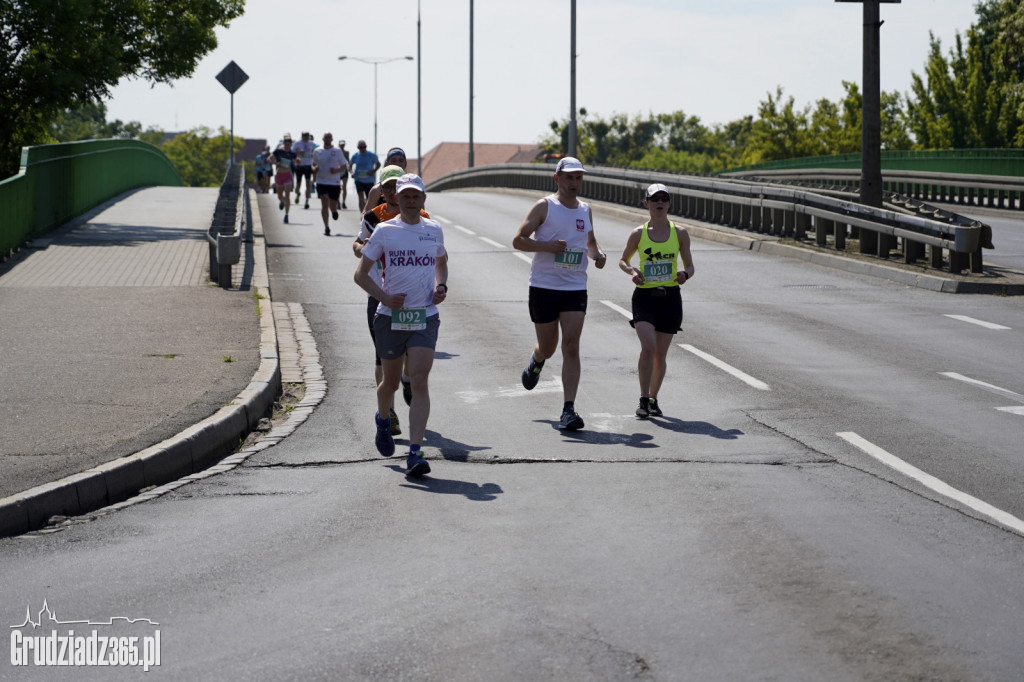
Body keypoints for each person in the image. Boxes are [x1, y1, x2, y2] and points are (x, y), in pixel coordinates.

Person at [354, 173, 448, 478]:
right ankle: (383, 419)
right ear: (396, 197)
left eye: (415, 196)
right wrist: (384, 297)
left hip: (424, 315)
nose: (409, 200)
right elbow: (361, 275)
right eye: (404, 195)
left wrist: (441, 286)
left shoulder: (433, 229)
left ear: (423, 199)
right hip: (390, 317)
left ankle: (415, 452)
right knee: (391, 384)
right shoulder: (384, 231)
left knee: (419, 380)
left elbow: (441, 261)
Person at [512, 157, 607, 431]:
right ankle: (537, 359)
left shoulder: (585, 210)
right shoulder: (545, 206)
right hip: (544, 287)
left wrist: (598, 255)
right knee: (549, 347)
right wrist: (547, 246)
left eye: (578, 178)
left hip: (575, 287)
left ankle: (568, 410)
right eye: (569, 177)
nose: (573, 183)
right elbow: (518, 239)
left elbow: (589, 243)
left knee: (572, 346)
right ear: (557, 179)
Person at [352, 165, 430, 433]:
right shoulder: (375, 218)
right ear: (382, 191)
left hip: (414, 298)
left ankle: (408, 378)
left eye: (395, 186)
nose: (392, 193)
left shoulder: (422, 217)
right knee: (381, 358)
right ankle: (390, 412)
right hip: (380, 293)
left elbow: (438, 254)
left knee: (410, 353)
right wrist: (367, 248)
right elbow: (358, 244)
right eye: (387, 187)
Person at [617, 183, 695, 419]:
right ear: (646, 203)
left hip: (670, 297)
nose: (660, 203)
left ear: (669, 203)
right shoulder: (638, 233)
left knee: (661, 355)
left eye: (664, 199)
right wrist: (632, 272)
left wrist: (685, 275)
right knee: (648, 348)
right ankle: (642, 398)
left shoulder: (680, 233)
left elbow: (690, 266)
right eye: (655, 199)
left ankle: (653, 399)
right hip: (645, 297)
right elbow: (622, 260)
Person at [312, 132, 347, 236]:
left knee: (332, 204)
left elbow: (344, 166)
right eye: (325, 137)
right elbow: (313, 165)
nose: (327, 139)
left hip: (334, 182)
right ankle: (326, 227)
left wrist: (336, 171)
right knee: (324, 203)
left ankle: (334, 211)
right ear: (323, 139)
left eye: (329, 137)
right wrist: (315, 169)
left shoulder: (337, 151)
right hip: (321, 181)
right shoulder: (317, 151)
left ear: (332, 139)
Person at [268, 135, 297, 224]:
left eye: (289, 144)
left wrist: (298, 161)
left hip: (288, 175)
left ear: (291, 145)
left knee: (288, 194)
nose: (287, 146)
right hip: (279, 175)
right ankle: (282, 200)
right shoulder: (278, 151)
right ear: (284, 144)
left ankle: (286, 215)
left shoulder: (292, 153)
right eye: (286, 144)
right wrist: (275, 163)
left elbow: (297, 160)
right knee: (279, 196)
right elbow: (269, 159)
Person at [349, 140, 380, 212]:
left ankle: (367, 212)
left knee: (369, 198)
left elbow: (378, 164)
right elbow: (349, 166)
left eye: (364, 147)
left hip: (369, 180)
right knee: (360, 196)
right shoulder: (355, 155)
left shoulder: (371, 155)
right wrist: (351, 173)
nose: (362, 149)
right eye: (361, 147)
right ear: (358, 147)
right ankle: (361, 214)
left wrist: (373, 171)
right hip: (358, 179)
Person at [338, 139, 351, 209]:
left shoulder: (346, 152)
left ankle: (343, 202)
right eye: (341, 145)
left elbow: (348, 162)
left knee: (344, 187)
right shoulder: (336, 152)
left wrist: (350, 170)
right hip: (337, 171)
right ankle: (337, 201)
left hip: (344, 171)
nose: (342, 146)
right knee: (337, 187)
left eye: (343, 145)